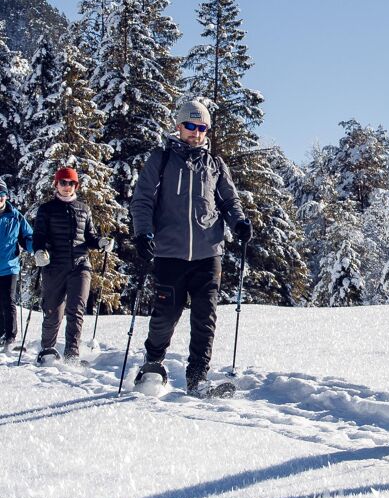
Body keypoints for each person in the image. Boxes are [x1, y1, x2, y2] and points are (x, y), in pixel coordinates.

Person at [129, 98, 252, 395]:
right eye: (190, 126)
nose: (196, 133)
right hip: (169, 253)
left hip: (208, 254)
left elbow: (228, 201)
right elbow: (142, 200)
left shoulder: (215, 165)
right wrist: (142, 233)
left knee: (204, 317)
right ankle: (153, 362)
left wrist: (239, 222)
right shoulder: (160, 160)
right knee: (165, 315)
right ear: (178, 126)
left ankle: (197, 378)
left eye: (201, 127)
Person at [32, 167, 114, 364]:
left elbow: (90, 237)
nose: (67, 187)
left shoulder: (83, 209)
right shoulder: (46, 209)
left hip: (80, 265)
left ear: (76, 185)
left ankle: (72, 355)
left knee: (76, 311)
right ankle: (48, 351)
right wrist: (39, 252)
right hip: (54, 267)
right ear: (56, 184)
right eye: (63, 182)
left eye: (71, 183)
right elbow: (39, 237)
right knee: (53, 311)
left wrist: (101, 242)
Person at [0, 180, 34, 352]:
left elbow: (28, 237)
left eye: (1, 194)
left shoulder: (15, 216)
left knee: (8, 301)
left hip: (9, 267)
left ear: (6, 196)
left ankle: (10, 337)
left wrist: (36, 247)